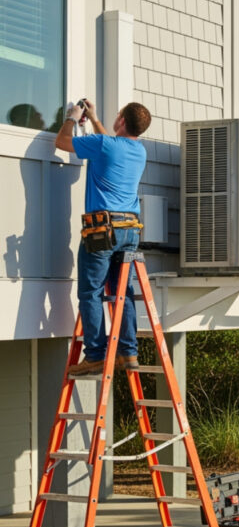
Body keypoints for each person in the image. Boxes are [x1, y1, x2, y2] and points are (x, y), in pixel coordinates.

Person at [56, 99, 150, 375]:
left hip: (103, 231)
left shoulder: (104, 145)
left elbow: (62, 143)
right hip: (130, 230)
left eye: (117, 114)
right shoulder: (138, 150)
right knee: (123, 291)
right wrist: (95, 118)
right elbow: (109, 142)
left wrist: (73, 118)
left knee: (91, 292)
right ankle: (128, 352)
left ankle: (96, 354)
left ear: (121, 121)